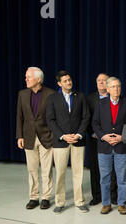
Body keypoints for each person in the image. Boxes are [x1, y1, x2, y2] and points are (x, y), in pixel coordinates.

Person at [46, 70, 90, 214]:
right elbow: (50, 120)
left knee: (78, 173)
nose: (69, 82)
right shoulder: (52, 98)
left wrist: (78, 134)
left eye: (69, 80)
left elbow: (85, 117)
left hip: (77, 140)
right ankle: (60, 202)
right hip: (61, 142)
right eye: (65, 81)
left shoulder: (81, 96)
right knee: (60, 173)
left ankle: (79, 201)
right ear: (59, 83)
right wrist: (63, 136)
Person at [92, 77, 126, 215]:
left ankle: (122, 204)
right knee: (105, 178)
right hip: (104, 146)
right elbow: (95, 124)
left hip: (121, 147)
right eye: (113, 87)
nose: (116, 89)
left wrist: (122, 137)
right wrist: (103, 136)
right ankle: (106, 204)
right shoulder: (100, 104)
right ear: (108, 89)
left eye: (118, 86)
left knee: (122, 178)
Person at [16, 67, 55, 210]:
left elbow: (53, 117)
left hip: (46, 136)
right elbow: (19, 116)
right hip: (28, 136)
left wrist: (53, 135)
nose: (26, 79)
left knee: (46, 170)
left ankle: (45, 197)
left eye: (29, 77)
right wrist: (19, 136)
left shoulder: (51, 94)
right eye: (26, 77)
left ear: (38, 79)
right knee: (32, 170)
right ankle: (33, 197)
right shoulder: (22, 94)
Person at [86, 73, 118, 206]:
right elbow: (86, 118)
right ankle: (97, 195)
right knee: (95, 168)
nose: (101, 82)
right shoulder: (89, 99)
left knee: (114, 169)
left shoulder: (116, 98)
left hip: (113, 140)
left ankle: (113, 196)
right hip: (95, 139)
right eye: (98, 80)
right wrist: (94, 134)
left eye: (104, 80)